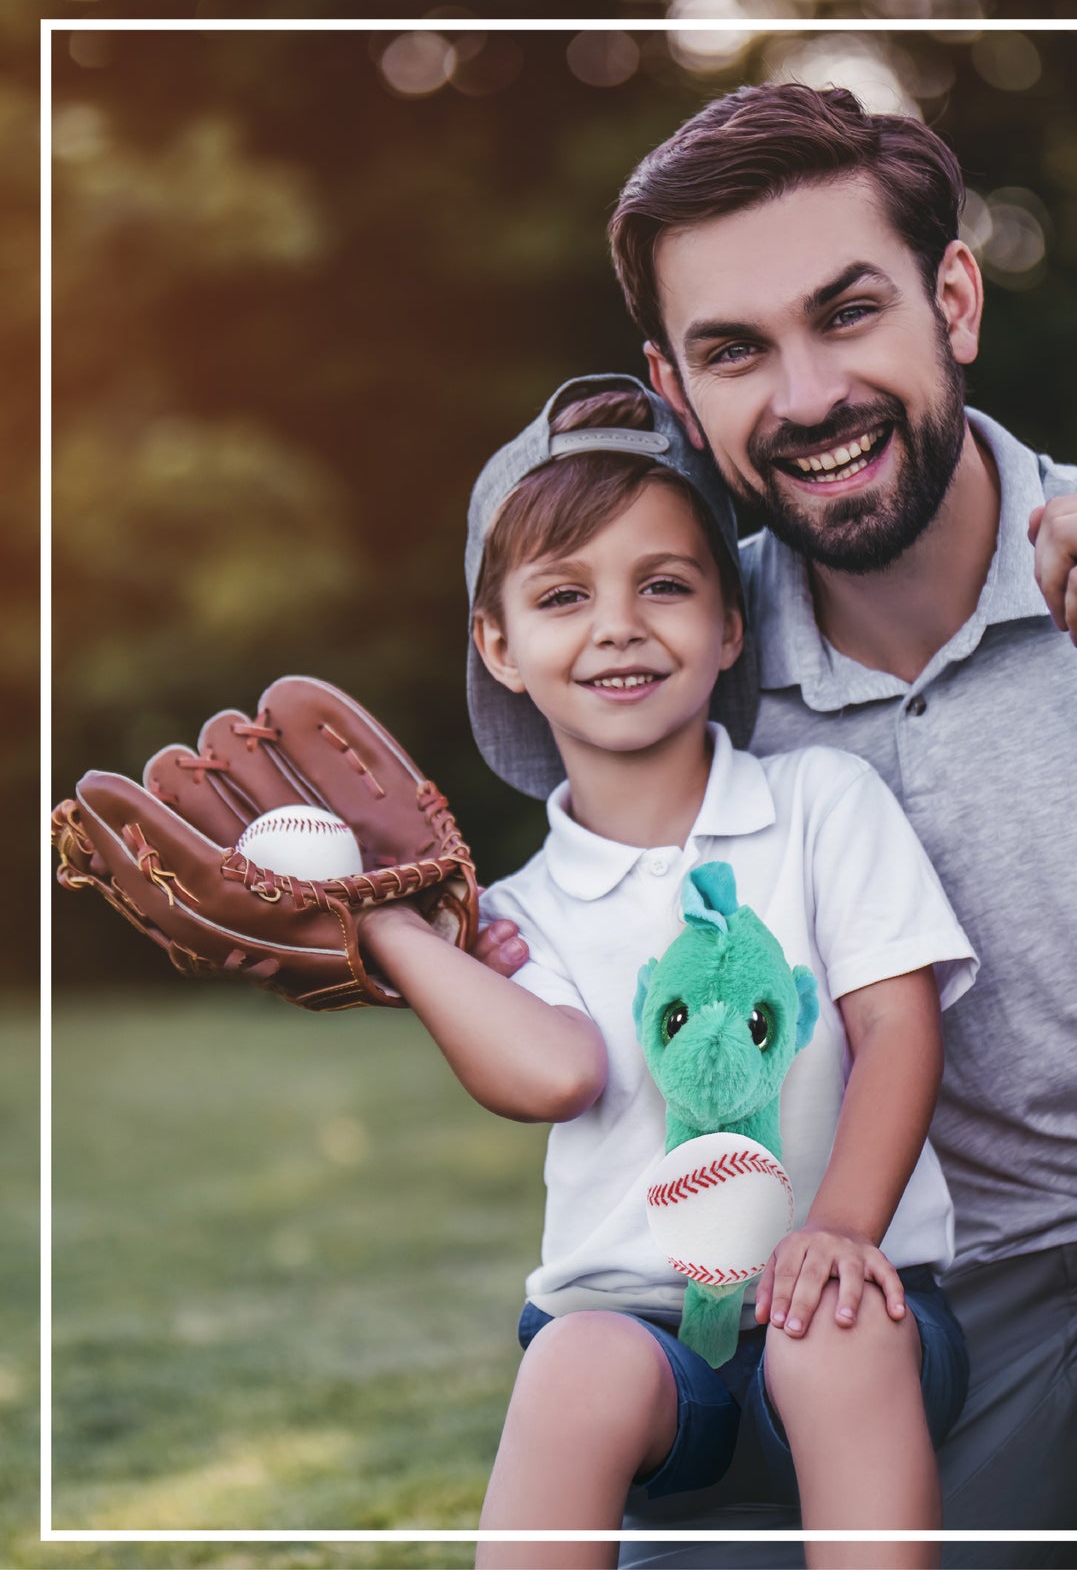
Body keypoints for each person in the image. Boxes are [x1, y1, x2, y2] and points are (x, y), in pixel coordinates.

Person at [476, 84, 1077, 1569]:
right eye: (737, 352)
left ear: (954, 297)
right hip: (926, 1341)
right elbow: (552, 906)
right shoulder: (683, 652)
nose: (804, 398)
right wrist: (381, 934)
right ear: (677, 392)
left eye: (846, 313)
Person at [364, 376, 978, 1570]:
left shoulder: (818, 806)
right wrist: (393, 930)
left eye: (664, 584)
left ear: (729, 622)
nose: (617, 625)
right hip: (642, 1346)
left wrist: (840, 1227)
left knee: (833, 1327)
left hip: (857, 1307)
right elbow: (552, 1072)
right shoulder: (512, 915)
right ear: (497, 643)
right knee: (572, 1363)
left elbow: (899, 1029)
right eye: (560, 595)